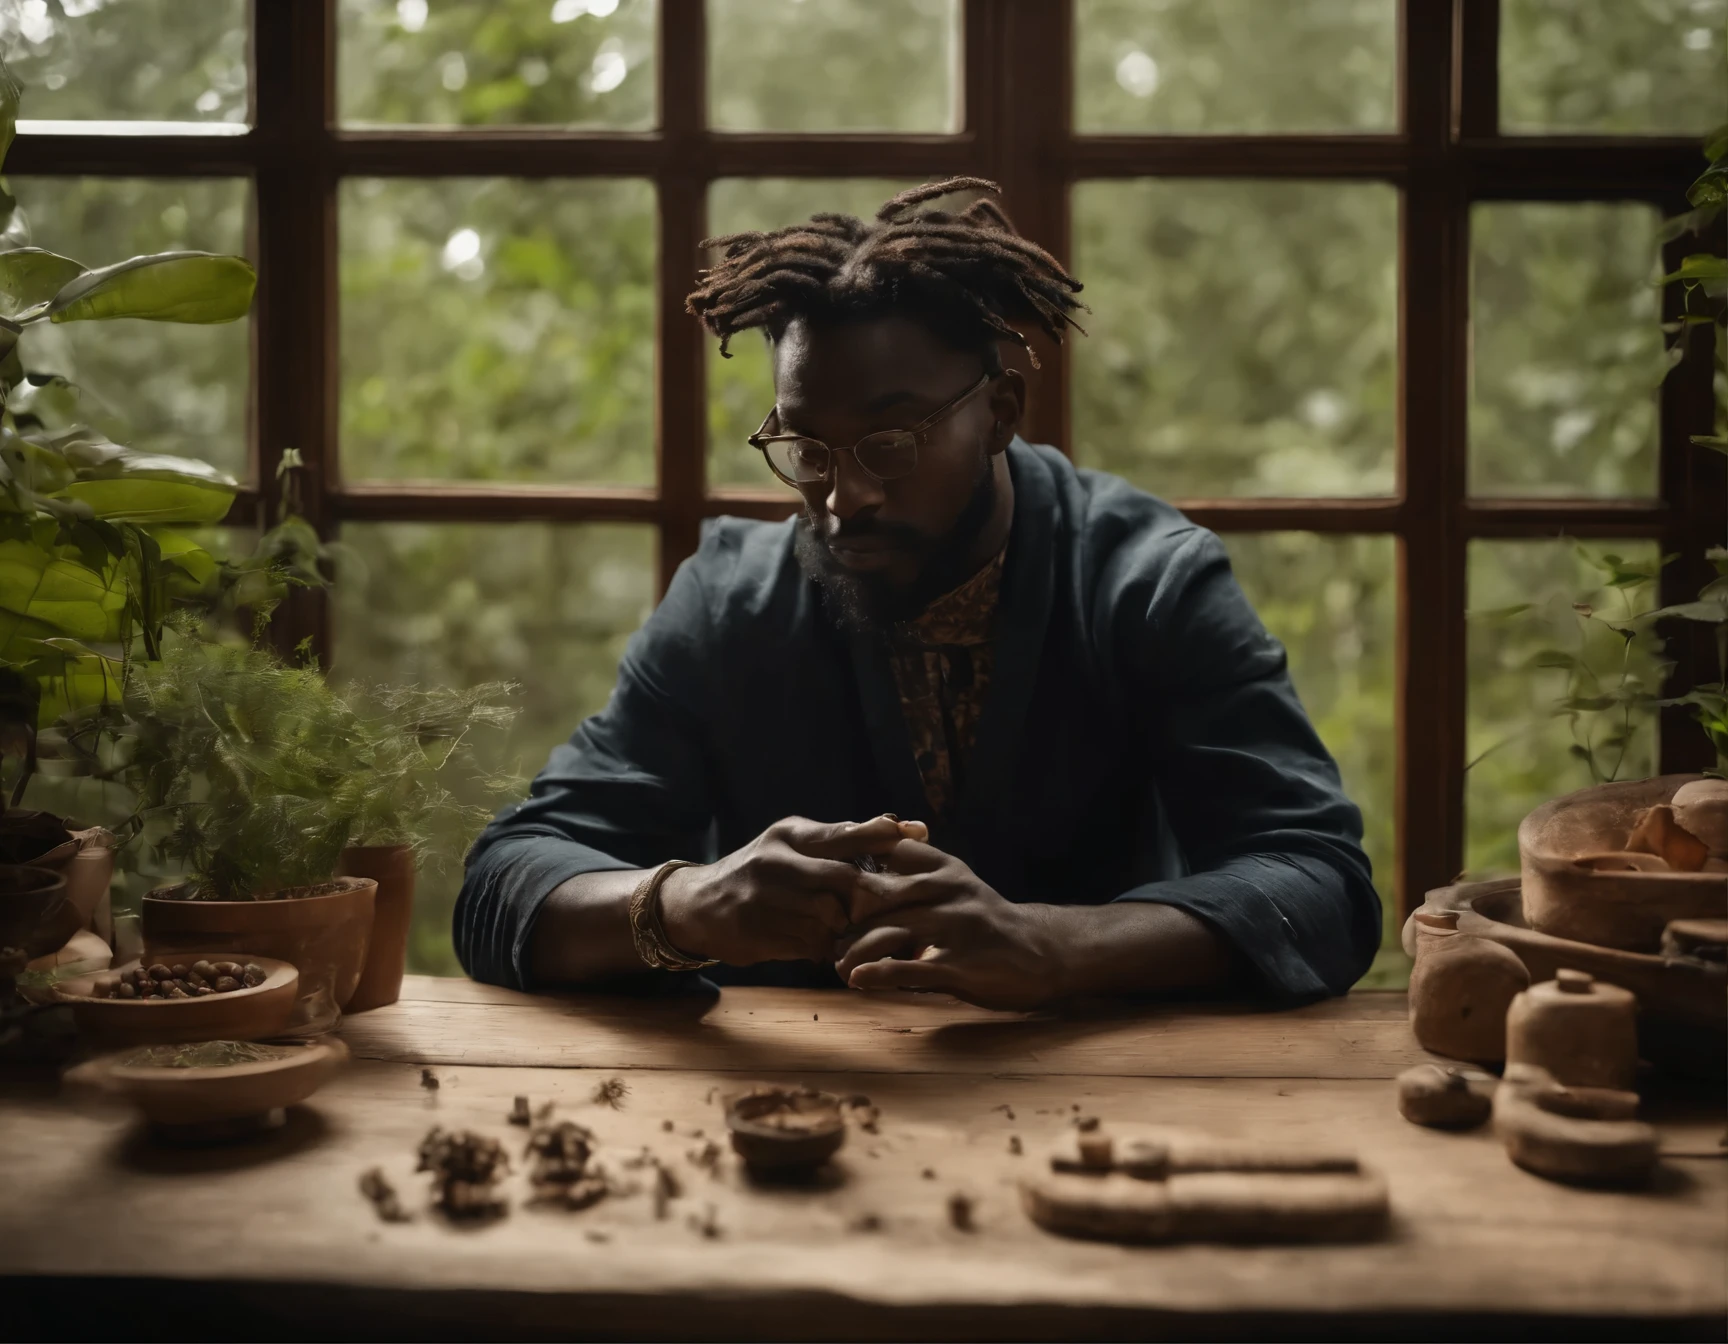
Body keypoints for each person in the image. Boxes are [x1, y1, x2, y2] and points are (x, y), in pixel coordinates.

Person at [454, 178, 1380, 1010]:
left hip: (1101, 1106)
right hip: (779, 1125)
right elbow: (507, 881)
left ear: (1000, 416)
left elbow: (1319, 882)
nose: (841, 498)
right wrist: (682, 903)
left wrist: (1055, 947)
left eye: (891, 443)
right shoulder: (727, 603)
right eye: (806, 450)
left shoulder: (1146, 585)